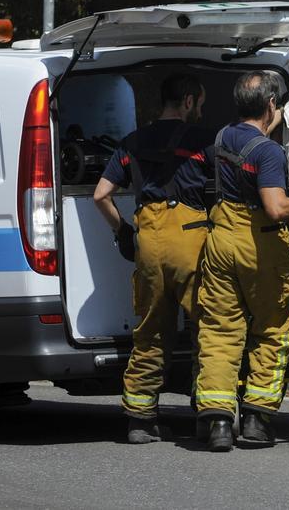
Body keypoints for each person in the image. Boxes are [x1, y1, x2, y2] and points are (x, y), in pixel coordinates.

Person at [195, 70, 289, 452]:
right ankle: (256, 419)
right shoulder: (268, 151)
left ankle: (219, 424)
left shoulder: (222, 137)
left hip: (221, 239)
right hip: (260, 245)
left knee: (221, 332)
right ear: (271, 105)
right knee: (272, 329)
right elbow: (275, 208)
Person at [92, 73, 213, 444]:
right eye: (201, 103)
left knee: (150, 332)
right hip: (190, 238)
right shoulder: (202, 140)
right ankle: (210, 417)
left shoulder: (131, 142)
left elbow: (100, 195)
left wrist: (123, 232)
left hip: (149, 240)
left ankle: (140, 421)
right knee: (207, 330)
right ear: (189, 101)